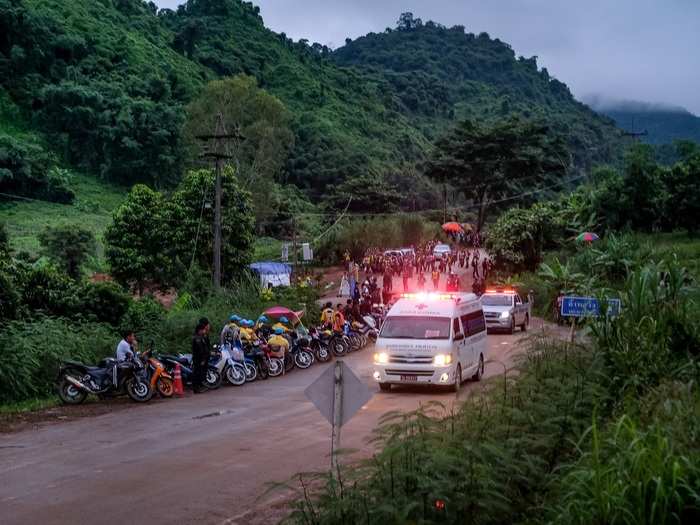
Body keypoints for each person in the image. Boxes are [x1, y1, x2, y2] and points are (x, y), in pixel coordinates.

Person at [191, 318, 211, 394]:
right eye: (203, 330)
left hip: (201, 359)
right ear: (199, 330)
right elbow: (200, 350)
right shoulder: (197, 339)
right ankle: (196, 389)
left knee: (199, 373)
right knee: (197, 373)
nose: (204, 331)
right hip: (198, 359)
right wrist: (203, 359)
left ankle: (199, 387)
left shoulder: (200, 337)